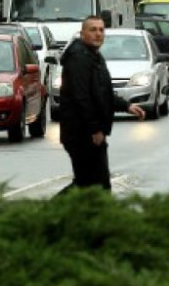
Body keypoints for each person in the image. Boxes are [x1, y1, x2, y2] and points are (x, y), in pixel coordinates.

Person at [58, 16, 145, 192]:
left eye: (101, 30)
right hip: (81, 133)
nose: (98, 34)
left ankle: (54, 216)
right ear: (82, 34)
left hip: (88, 132)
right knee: (92, 185)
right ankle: (47, 216)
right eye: (93, 30)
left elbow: (102, 91)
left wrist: (125, 105)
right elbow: (81, 97)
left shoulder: (94, 57)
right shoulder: (79, 58)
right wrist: (94, 129)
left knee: (91, 184)